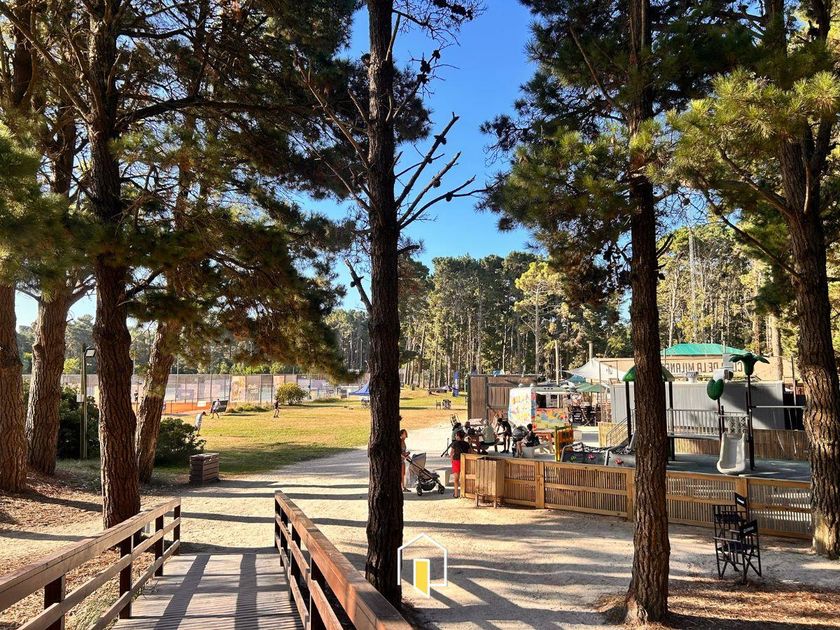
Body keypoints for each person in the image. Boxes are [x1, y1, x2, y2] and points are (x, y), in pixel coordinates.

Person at [450, 430, 470, 498]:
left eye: (456, 435)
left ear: (458, 436)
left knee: (456, 479)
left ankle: (456, 494)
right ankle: (463, 493)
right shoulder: (466, 444)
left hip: (456, 461)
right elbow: (469, 453)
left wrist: (451, 461)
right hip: (464, 461)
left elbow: (451, 453)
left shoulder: (455, 443)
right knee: (463, 478)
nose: (455, 436)